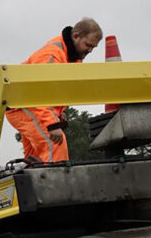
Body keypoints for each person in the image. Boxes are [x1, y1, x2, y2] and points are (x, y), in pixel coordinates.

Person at [6, 17, 103, 163]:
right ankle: (57, 184)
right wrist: (51, 123)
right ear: (76, 36)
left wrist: (60, 112)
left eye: (93, 47)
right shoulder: (52, 55)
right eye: (88, 45)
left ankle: (36, 182)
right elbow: (39, 91)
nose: (90, 50)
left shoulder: (71, 56)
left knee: (36, 158)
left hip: (26, 105)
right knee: (55, 143)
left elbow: (56, 90)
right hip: (23, 104)